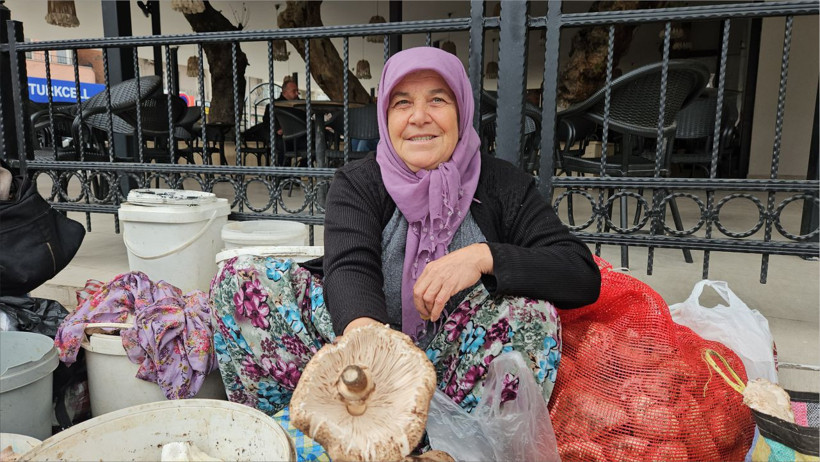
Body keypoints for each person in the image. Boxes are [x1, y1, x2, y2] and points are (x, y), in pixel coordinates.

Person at [210, 47, 600, 417]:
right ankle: (308, 427)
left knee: (532, 315)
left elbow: (580, 273)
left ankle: (446, 445)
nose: (419, 117)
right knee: (241, 282)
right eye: (402, 103)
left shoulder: (503, 184)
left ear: (462, 111)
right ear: (386, 116)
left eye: (437, 100)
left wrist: (482, 257)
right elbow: (349, 266)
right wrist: (374, 349)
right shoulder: (360, 181)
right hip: (363, 357)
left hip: (460, 366)